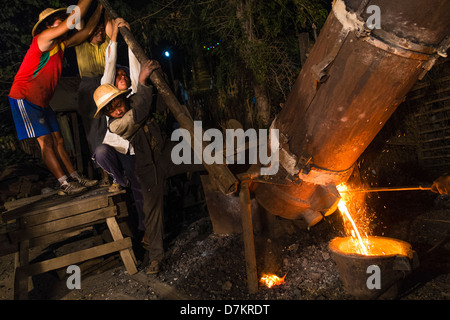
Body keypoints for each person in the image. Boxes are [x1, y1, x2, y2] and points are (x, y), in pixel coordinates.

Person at [93, 61, 203, 274]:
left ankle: (230, 176)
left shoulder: (134, 99)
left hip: (166, 152)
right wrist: (142, 81)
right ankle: (155, 258)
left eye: (117, 104)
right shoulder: (116, 125)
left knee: (206, 159)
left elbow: (157, 103)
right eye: (110, 110)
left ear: (121, 98)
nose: (116, 110)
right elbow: (141, 111)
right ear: (107, 114)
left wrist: (156, 75)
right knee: (152, 212)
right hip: (146, 166)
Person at [8, 1, 99, 195]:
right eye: (56, 20)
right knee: (46, 142)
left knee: (58, 140)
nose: (60, 20)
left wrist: (100, 9)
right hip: (24, 97)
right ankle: (64, 183)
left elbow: (87, 31)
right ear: (48, 26)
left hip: (42, 101)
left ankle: (74, 176)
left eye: (59, 17)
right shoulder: (44, 38)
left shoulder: (60, 44)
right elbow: (72, 21)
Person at [92, 17, 146, 231]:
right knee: (100, 152)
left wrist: (128, 36)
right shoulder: (107, 95)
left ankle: (143, 231)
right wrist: (113, 38)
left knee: (139, 193)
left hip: (132, 153)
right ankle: (119, 179)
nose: (122, 77)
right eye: (119, 76)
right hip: (115, 151)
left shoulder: (131, 92)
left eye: (124, 75)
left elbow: (135, 69)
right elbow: (109, 68)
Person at [75, 8, 114, 184]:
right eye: (95, 31)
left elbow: (109, 26)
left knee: (109, 125)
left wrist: (104, 8)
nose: (99, 33)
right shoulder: (81, 43)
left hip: (105, 83)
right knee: (93, 130)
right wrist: (97, 9)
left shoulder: (105, 44)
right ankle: (104, 172)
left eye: (100, 30)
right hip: (89, 85)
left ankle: (114, 168)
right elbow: (83, 25)